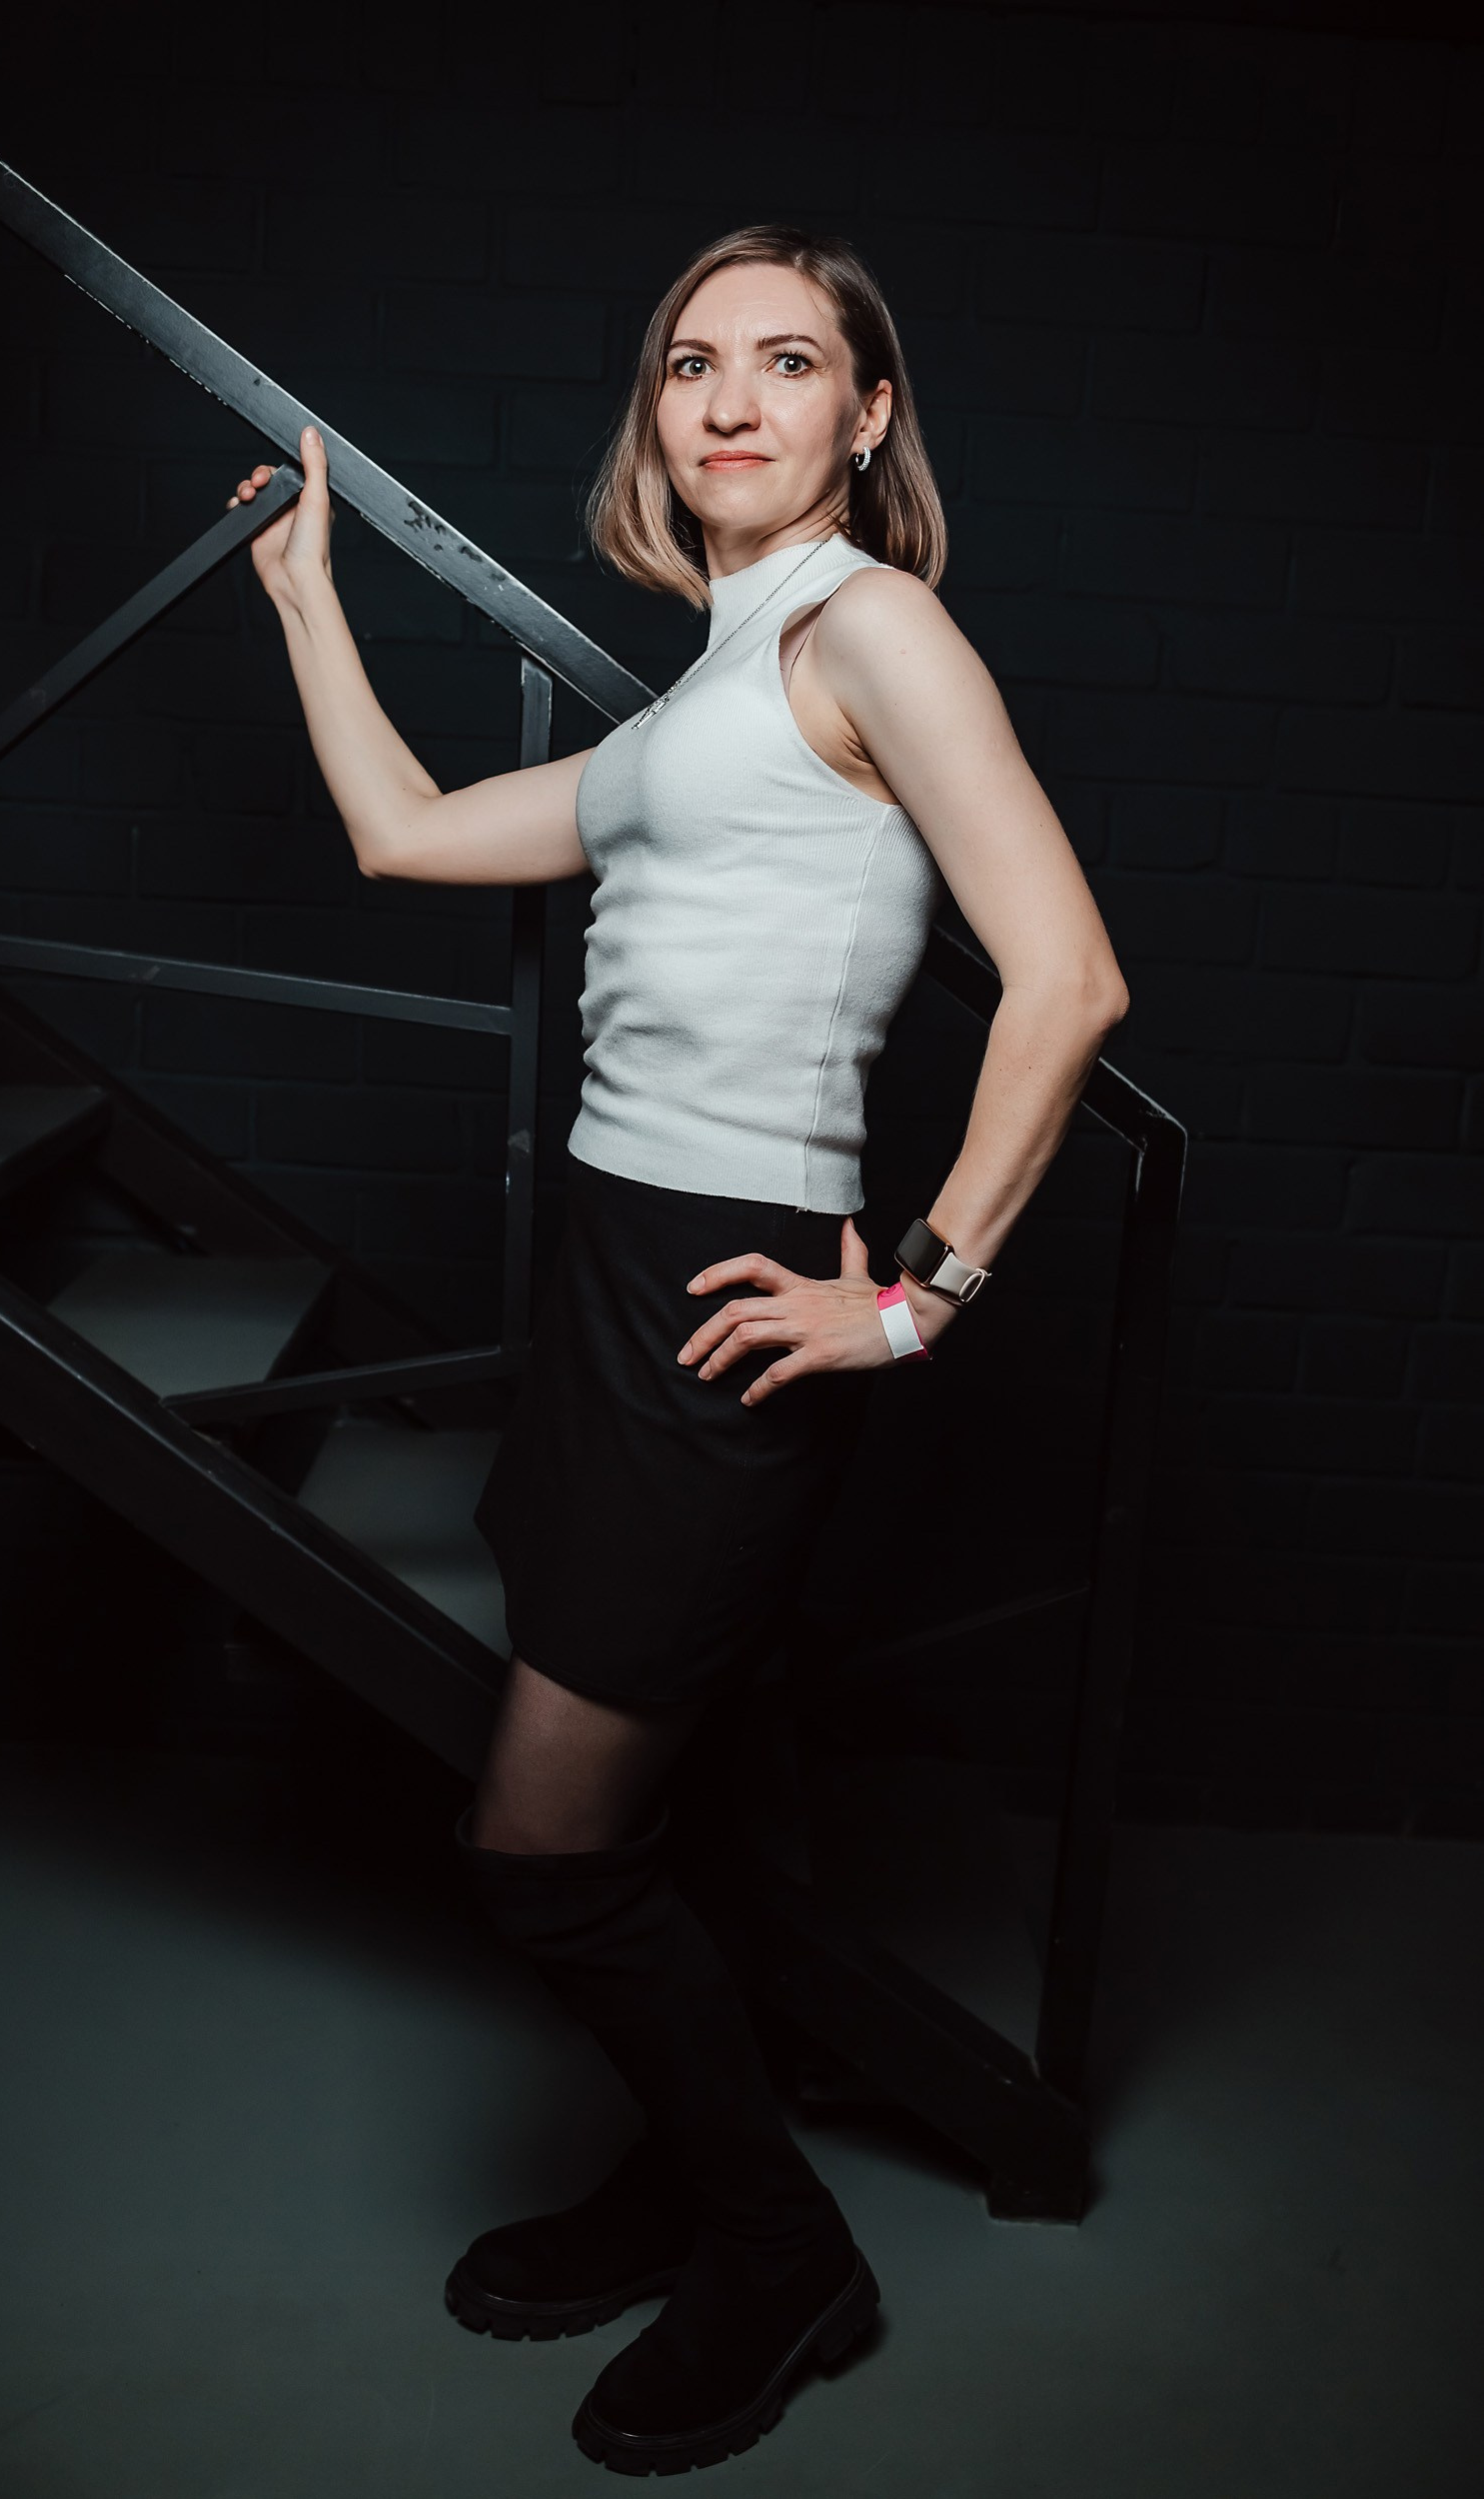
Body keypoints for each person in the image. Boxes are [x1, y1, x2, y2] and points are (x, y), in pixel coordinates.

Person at [227, 221, 1129, 2477]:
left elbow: (1069, 979)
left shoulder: (867, 627)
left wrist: (916, 1294)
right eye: (692, 361)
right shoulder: (698, 704)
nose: (728, 398)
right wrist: (308, 597)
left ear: (868, 415)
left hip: (725, 1292)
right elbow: (405, 832)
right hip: (608, 1270)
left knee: (543, 1848)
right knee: (682, 1803)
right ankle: (686, 2161)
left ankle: (778, 2243)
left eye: (789, 361)